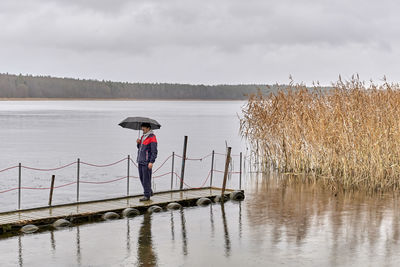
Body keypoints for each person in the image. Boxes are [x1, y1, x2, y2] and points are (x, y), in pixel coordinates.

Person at [137, 122, 158, 201]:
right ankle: (149, 191)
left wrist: (151, 162)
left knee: (146, 179)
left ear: (148, 128)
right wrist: (138, 143)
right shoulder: (143, 136)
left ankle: (147, 195)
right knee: (142, 178)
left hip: (147, 162)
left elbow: (154, 151)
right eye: (142, 128)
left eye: (144, 128)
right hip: (140, 160)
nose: (142, 129)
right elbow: (140, 148)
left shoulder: (152, 137)